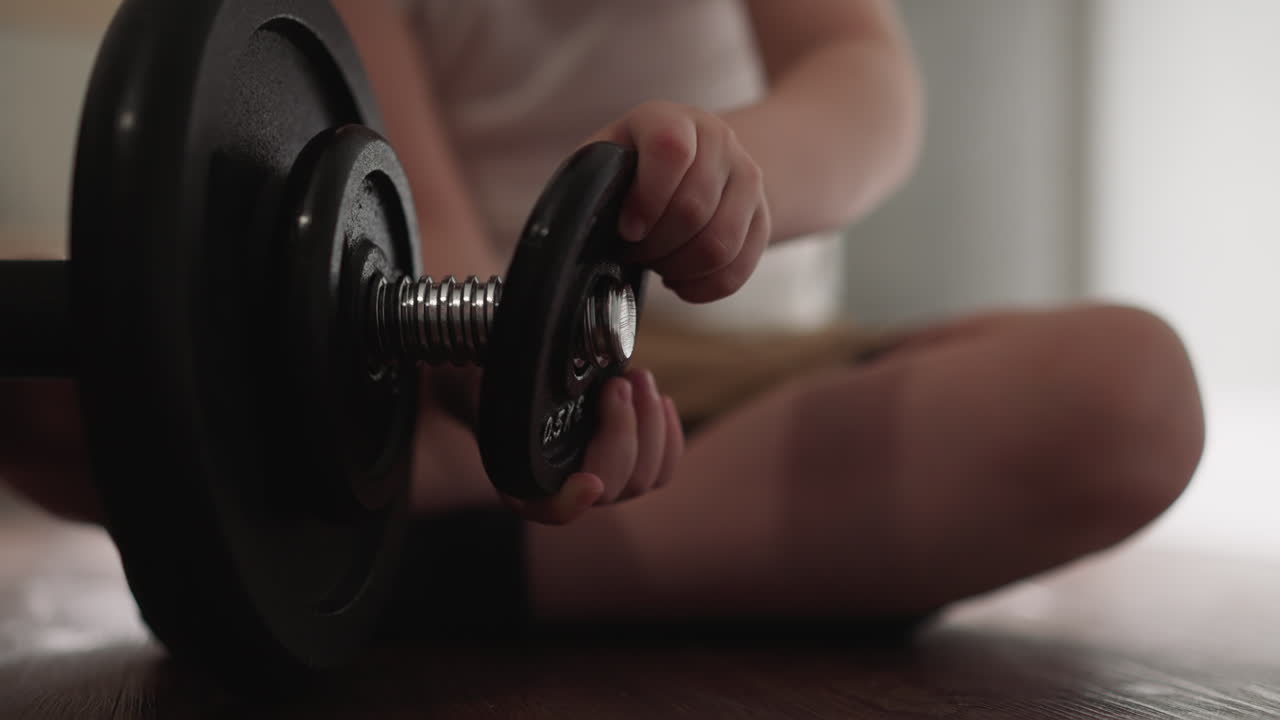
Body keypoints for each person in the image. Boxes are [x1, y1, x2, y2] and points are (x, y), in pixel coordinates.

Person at [2, 0, 1204, 633]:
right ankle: (452, 522)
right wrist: (502, 384)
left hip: (733, 380)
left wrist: (743, 182)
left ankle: (404, 563)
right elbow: (404, 205)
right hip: (411, 339)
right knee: (36, 366)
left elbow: (867, 82)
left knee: (1124, 399)